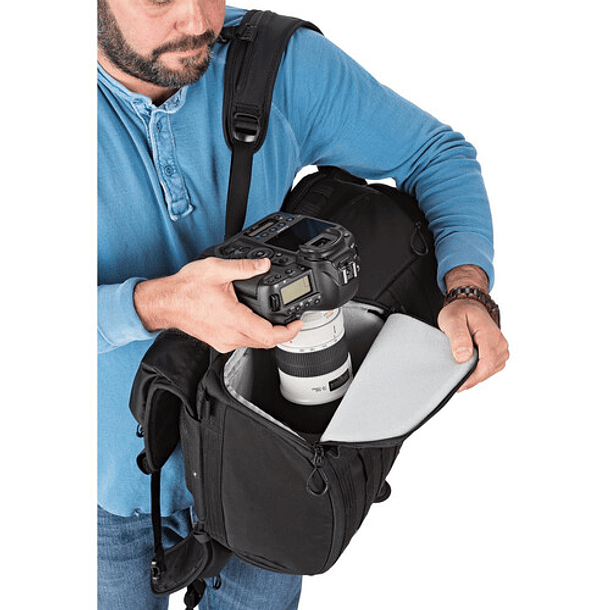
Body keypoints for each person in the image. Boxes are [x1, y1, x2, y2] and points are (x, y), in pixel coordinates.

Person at [97, 1, 510, 608]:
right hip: (104, 491)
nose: (196, 21)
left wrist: (466, 286)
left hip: (270, 469)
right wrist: (153, 304)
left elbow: (435, 154)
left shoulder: (273, 63)